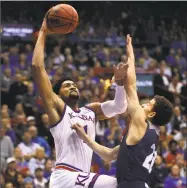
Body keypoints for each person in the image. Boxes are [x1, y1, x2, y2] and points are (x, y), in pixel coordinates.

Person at [32, 19, 128, 188]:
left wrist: (120, 84)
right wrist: (43, 32)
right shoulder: (58, 110)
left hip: (80, 177)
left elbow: (120, 106)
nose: (72, 86)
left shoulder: (91, 111)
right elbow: (37, 67)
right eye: (66, 85)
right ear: (57, 94)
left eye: (73, 84)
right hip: (66, 176)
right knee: (119, 184)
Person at [72, 35, 174, 188]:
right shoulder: (148, 137)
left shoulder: (142, 124)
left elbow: (132, 86)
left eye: (148, 105)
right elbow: (109, 155)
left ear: (152, 114)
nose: (143, 105)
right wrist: (85, 138)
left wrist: (130, 54)